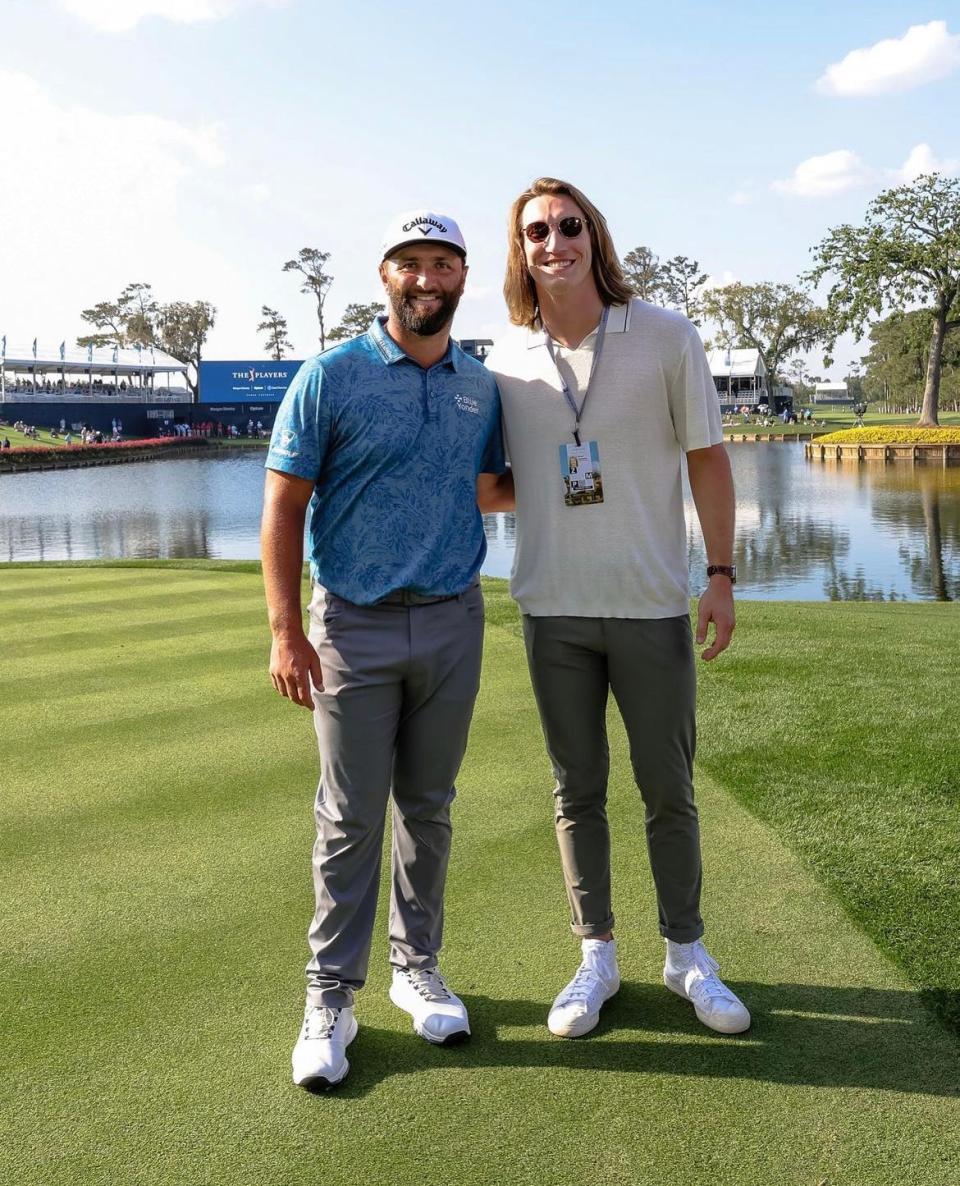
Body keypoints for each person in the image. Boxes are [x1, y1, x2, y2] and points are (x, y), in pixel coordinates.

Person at [485, 177, 750, 1040]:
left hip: (650, 607)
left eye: (568, 227)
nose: (553, 242)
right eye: (536, 233)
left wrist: (720, 573)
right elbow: (497, 483)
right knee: (577, 790)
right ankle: (595, 955)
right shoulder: (504, 359)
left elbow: (707, 460)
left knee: (668, 789)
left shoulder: (668, 337)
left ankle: (686, 954)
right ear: (520, 251)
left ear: (595, 237)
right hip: (552, 611)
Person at [261, 210, 506, 1091]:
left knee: (429, 807)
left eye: (442, 264)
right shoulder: (332, 376)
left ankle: (417, 967)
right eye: (412, 265)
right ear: (386, 276)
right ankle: (329, 996)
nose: (426, 279)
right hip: (354, 627)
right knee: (351, 816)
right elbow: (286, 503)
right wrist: (287, 630)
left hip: (452, 619)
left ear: (462, 278)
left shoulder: (481, 385)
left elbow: (493, 484)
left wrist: (613, 467)